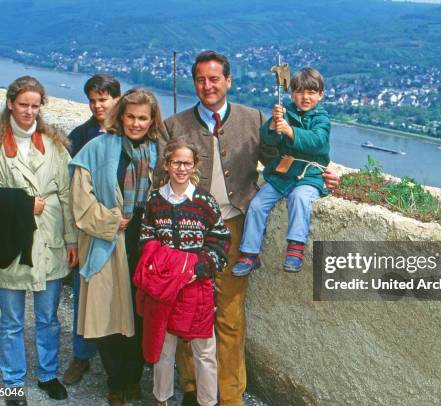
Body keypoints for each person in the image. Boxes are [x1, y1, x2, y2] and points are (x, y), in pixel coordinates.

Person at [159, 50, 339, 406]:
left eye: (214, 79)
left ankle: (229, 396)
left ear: (228, 81)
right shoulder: (175, 125)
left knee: (228, 314)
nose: (207, 86)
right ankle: (192, 387)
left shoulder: (251, 117)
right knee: (185, 311)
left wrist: (326, 173)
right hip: (187, 233)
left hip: (233, 227)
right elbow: (158, 181)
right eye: (200, 79)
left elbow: (283, 160)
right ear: (194, 82)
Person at [0, 75, 78, 406]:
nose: (29, 111)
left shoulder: (55, 144)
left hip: (50, 238)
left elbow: (67, 193)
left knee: (48, 316)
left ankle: (47, 374)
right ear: (10, 104)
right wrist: (24, 205)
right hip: (11, 241)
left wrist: (71, 239)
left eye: (35, 105)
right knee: (12, 318)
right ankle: (12, 382)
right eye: (23, 105)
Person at [69, 87, 163, 406]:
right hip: (110, 239)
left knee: (139, 315)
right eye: (130, 116)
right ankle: (115, 379)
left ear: (152, 121)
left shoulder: (159, 153)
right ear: (120, 116)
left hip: (147, 241)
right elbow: (80, 199)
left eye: (142, 118)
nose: (135, 123)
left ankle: (133, 379)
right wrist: (109, 221)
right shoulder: (98, 148)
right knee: (109, 312)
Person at [138, 139, 230, 406]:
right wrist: (163, 271)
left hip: (196, 287)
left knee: (204, 351)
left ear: (194, 166)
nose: (181, 168)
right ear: (166, 165)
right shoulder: (155, 201)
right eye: (176, 162)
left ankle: (207, 402)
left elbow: (221, 240)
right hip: (165, 289)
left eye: (187, 163)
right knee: (163, 348)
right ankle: (161, 399)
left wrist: (199, 269)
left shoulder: (204, 201)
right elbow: (147, 241)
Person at [232, 67, 330, 275]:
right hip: (283, 173)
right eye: (300, 92)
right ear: (292, 94)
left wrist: (290, 130)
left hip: (308, 174)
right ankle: (249, 253)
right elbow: (269, 140)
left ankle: (296, 247)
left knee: (300, 198)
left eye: (311, 92)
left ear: (320, 95)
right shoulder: (285, 111)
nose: (305, 97)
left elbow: (317, 142)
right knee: (257, 204)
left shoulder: (322, 118)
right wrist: (274, 124)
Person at [63, 73, 121, 386]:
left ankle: (122, 358)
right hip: (87, 229)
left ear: (117, 99)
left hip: (122, 229)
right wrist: (71, 239)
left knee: (122, 293)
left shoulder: (131, 131)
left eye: (104, 99)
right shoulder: (79, 136)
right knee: (83, 292)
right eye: (93, 99)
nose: (98, 105)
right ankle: (81, 355)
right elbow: (69, 194)